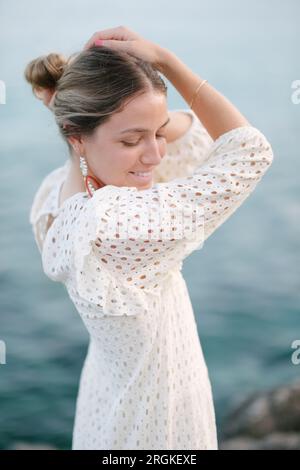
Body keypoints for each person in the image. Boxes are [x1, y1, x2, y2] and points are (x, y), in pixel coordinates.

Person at [24, 26, 274, 450]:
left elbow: (188, 143)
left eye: (157, 132)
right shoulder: (119, 221)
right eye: (131, 140)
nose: (155, 154)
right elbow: (249, 151)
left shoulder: (53, 196)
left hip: (109, 404)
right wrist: (167, 63)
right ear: (76, 136)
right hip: (160, 424)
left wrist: (140, 105)